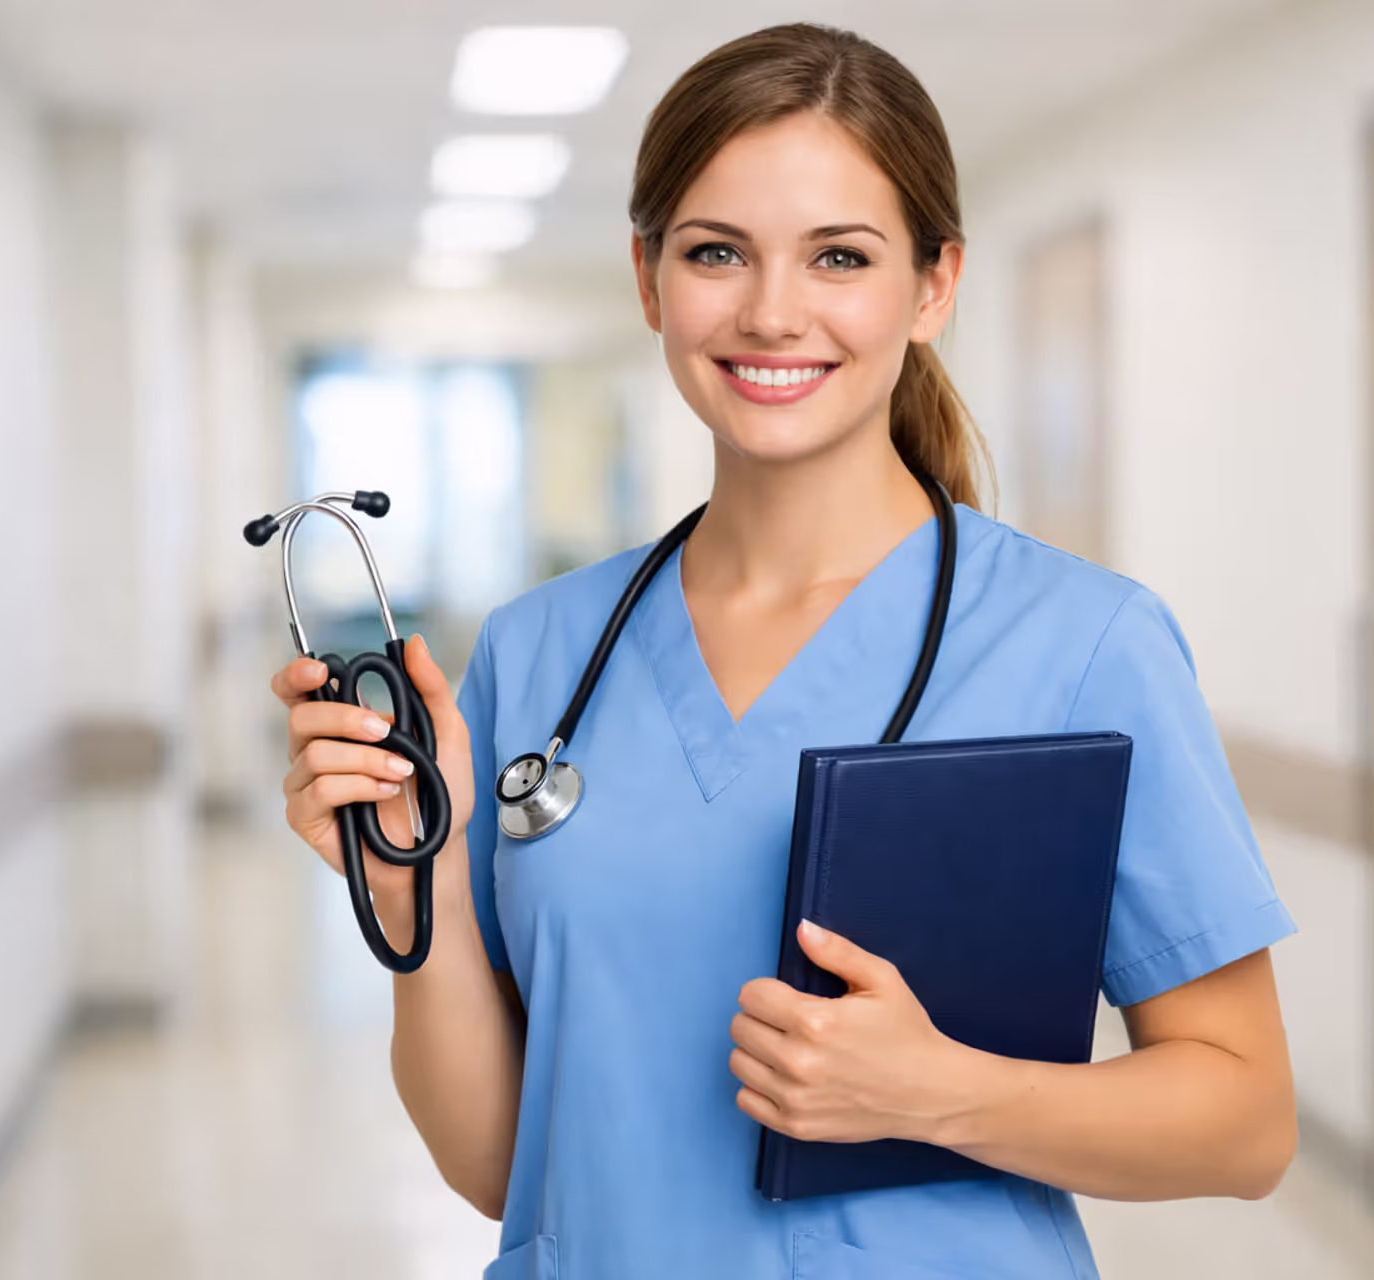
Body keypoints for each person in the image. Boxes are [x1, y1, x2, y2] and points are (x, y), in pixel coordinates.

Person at [271, 22, 1297, 1279]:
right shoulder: (542, 652)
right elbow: (505, 1165)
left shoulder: (1082, 643)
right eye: (716, 252)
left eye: (839, 256)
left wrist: (941, 1091)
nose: (771, 312)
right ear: (650, 278)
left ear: (932, 285)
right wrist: (406, 893)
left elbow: (1246, 1121)